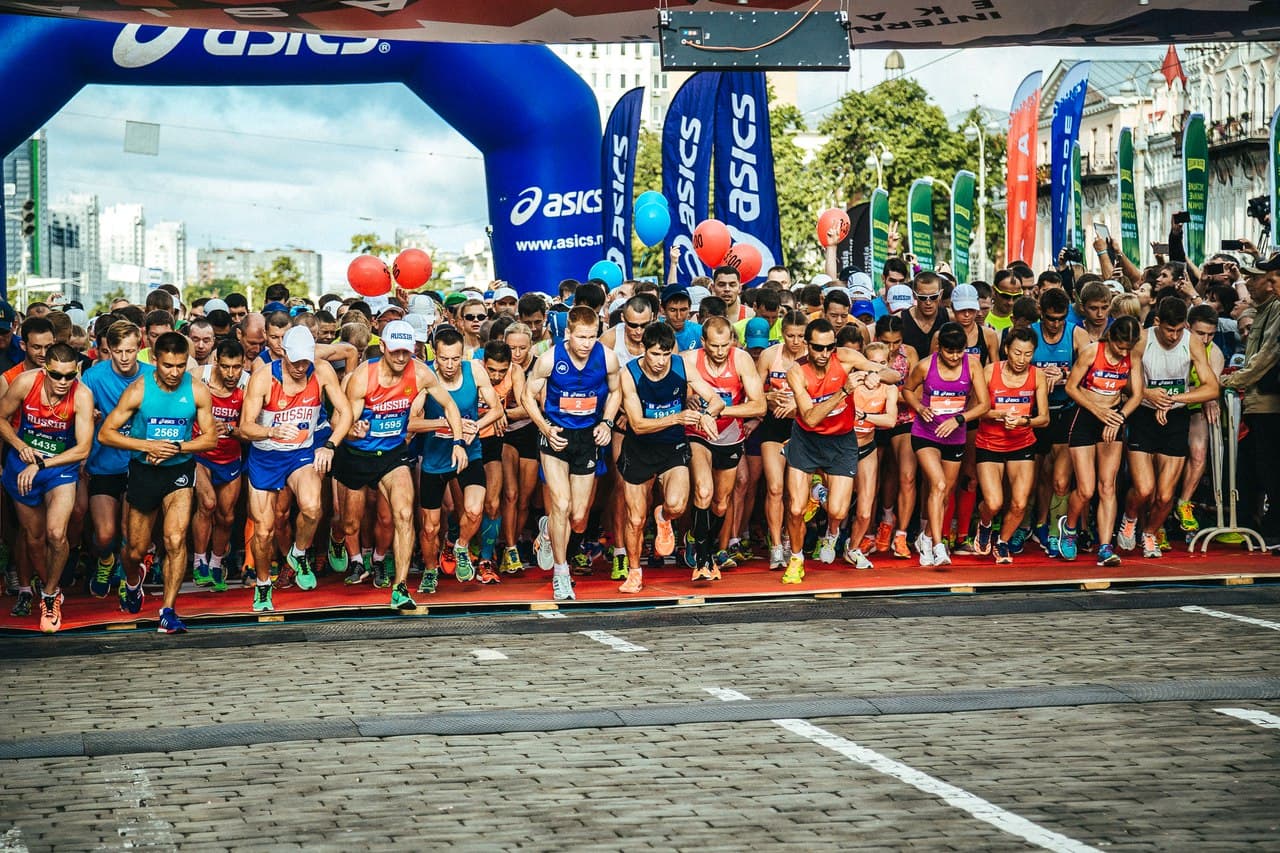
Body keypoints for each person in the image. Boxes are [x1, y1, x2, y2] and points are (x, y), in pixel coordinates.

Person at [99, 332, 218, 634]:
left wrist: (177, 447)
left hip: (178, 471)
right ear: (155, 360)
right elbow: (106, 433)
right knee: (135, 550)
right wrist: (147, 446)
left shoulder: (197, 390)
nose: (175, 372)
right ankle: (133, 580)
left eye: (180, 365)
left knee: (175, 540)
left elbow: (210, 438)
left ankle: (168, 610)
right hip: (144, 472)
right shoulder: (139, 390)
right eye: (168, 365)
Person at [340, 320, 462, 606]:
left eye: (406, 351)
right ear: (383, 346)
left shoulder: (420, 373)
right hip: (358, 454)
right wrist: (352, 431)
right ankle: (345, 549)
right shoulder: (363, 376)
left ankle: (400, 587)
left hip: (392, 454)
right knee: (349, 523)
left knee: (404, 514)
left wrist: (457, 442)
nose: (400, 357)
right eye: (395, 351)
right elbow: (342, 421)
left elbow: (449, 405)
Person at [238, 326, 353, 613]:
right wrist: (271, 431)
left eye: (306, 361)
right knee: (264, 531)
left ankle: (299, 552)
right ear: (283, 353)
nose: (301, 367)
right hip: (266, 457)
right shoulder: (263, 378)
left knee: (313, 508)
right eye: (295, 361)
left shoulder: (321, 370)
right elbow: (245, 427)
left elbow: (346, 412)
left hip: (301, 453)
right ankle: (263, 585)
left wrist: (330, 445)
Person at [522, 306, 621, 601]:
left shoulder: (607, 358)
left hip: (587, 437)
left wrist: (607, 422)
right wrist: (544, 428)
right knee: (561, 504)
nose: (587, 344)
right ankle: (561, 574)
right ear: (568, 333)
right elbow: (527, 395)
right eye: (581, 337)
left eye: (592, 337)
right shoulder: (550, 359)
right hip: (557, 435)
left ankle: (547, 528)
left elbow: (616, 391)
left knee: (578, 517)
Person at [615, 323, 723, 591]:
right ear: (643, 350)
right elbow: (637, 424)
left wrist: (707, 415)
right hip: (639, 449)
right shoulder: (629, 374)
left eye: (665, 354)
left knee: (676, 506)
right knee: (636, 519)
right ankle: (634, 572)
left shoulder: (681, 366)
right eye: (655, 354)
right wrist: (677, 418)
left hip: (672, 447)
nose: (661, 361)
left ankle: (662, 517)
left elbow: (716, 399)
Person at [0, 343, 94, 632]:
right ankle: (45, 585)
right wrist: (20, 446)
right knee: (34, 538)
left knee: (56, 533)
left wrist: (41, 464)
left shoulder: (82, 395)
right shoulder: (25, 382)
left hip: (59, 468)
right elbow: (1, 417)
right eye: (57, 375)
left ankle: (50, 595)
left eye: (70, 375)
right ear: (45, 370)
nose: (64, 382)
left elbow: (83, 449)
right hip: (22, 465)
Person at [1117, 297, 1218, 558]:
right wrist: (1148, 393)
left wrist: (1174, 399)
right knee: (1144, 488)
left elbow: (1211, 387)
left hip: (1175, 416)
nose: (1174, 336)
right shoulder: (1142, 339)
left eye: (1179, 330)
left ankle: (1150, 533)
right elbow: (1124, 381)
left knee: (1164, 495)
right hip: (1143, 414)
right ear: (1157, 322)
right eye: (1169, 330)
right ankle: (1130, 518)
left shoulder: (1191, 342)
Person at [681, 316, 766, 577]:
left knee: (720, 504)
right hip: (697, 433)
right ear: (703, 342)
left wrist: (719, 410)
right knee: (703, 491)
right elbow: (673, 395)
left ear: (732, 341)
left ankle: (697, 537)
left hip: (729, 434)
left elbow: (759, 405)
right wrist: (687, 401)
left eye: (724, 345)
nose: (719, 352)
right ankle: (703, 560)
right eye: (713, 346)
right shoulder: (688, 359)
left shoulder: (741, 359)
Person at [781, 318, 864, 583]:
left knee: (838, 512)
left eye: (830, 347)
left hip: (841, 439)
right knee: (796, 508)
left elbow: (891, 374)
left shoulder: (846, 358)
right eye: (818, 347)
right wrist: (843, 392)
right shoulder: (796, 372)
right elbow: (810, 418)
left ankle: (822, 501)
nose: (824, 353)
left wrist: (875, 375)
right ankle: (796, 560)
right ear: (807, 345)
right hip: (807, 439)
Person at [1060, 315, 1144, 565]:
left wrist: (1119, 417)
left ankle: (1105, 547)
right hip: (1086, 416)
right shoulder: (1091, 352)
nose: (1123, 352)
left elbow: (1137, 395)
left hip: (1112, 418)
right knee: (1086, 489)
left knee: (1107, 486)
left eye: (1128, 348)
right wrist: (1099, 412)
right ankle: (1070, 528)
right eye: (1119, 347)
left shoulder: (1132, 357)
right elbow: (1071, 387)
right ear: (1111, 338)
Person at [904, 322, 990, 566]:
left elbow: (984, 404)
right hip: (926, 434)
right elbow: (907, 390)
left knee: (944, 493)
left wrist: (959, 419)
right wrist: (919, 407)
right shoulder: (925, 366)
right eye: (949, 352)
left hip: (955, 436)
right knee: (939, 484)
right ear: (939, 348)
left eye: (959, 351)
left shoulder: (972, 365)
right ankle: (937, 546)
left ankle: (925, 537)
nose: (954, 357)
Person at [80, 321, 154, 599]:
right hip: (104, 464)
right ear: (108, 349)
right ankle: (106, 561)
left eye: (130, 351)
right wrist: (89, 415)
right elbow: (77, 414)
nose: (124, 357)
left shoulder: (151, 376)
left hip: (139, 464)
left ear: (139, 348)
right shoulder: (93, 377)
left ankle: (127, 577)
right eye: (118, 351)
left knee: (130, 533)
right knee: (104, 535)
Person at [973, 327, 1050, 564]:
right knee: (994, 502)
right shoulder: (989, 371)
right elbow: (976, 409)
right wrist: (1000, 414)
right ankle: (985, 523)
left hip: (1022, 442)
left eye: (1028, 354)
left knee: (1019, 503)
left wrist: (1024, 421)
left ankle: (1003, 542)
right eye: (1017, 353)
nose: (1022, 359)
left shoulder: (1037, 376)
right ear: (1006, 349)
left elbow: (1044, 418)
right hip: (989, 442)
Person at [1029, 288, 1090, 556]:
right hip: (1035, 413)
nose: (1055, 324)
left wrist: (1065, 376)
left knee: (1061, 480)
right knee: (1035, 477)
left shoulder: (1077, 334)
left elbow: (1090, 371)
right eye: (1050, 318)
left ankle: (1057, 531)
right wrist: (1040, 377)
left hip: (1066, 411)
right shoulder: (1030, 333)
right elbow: (1012, 370)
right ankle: (1035, 525)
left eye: (1060, 319)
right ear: (1040, 313)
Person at [191, 339, 248, 592]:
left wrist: (232, 429)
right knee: (207, 504)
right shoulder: (198, 377)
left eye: (237, 367)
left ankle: (216, 563)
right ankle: (199, 562)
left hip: (230, 456)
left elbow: (251, 429)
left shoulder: (248, 384)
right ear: (216, 362)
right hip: (200, 454)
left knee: (227, 516)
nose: (231, 374)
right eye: (225, 367)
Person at [755, 310, 809, 568]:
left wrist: (797, 405)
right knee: (775, 487)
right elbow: (753, 393)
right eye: (790, 335)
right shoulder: (769, 355)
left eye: (800, 336)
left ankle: (790, 539)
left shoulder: (813, 357)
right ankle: (776, 545)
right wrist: (768, 397)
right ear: (782, 334)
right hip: (774, 425)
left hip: (802, 427)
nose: (795, 341)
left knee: (793, 492)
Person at [844, 342, 898, 569]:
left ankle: (853, 548)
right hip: (842, 448)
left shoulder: (890, 389)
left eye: (882, 363)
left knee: (865, 511)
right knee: (838, 507)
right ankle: (830, 534)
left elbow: (890, 420)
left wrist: (864, 416)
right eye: (872, 363)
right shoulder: (851, 384)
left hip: (867, 447)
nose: (877, 369)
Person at [1174, 304, 1226, 533]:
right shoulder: (1175, 344)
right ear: (1187, 327)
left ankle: (1184, 503)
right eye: (1200, 333)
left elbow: (1211, 387)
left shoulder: (1214, 352)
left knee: (1198, 453)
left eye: (1210, 334)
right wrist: (1201, 392)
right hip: (1169, 407)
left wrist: (1208, 396)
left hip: (1195, 408)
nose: (1205, 340)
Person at [498, 323, 539, 574]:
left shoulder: (538, 367)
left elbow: (536, 408)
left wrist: (503, 413)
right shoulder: (496, 365)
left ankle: (510, 544)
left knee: (524, 499)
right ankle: (510, 547)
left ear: (530, 346)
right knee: (510, 494)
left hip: (530, 433)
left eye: (522, 348)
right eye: (511, 347)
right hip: (505, 435)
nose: (516, 353)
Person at [900, 272, 950, 359]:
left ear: (940, 294)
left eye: (933, 297)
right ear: (914, 295)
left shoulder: (950, 317)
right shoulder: (901, 320)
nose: (928, 302)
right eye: (922, 297)